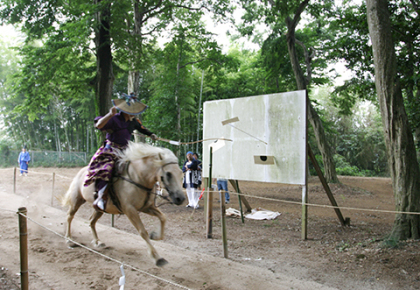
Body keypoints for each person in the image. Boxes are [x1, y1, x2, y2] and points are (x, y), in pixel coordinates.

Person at [84, 92, 158, 212]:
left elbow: (142, 128)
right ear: (125, 110)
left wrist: (151, 134)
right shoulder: (114, 119)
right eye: (131, 111)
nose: (133, 113)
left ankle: (139, 195)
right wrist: (109, 114)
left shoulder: (133, 122)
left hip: (126, 151)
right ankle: (101, 197)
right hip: (111, 149)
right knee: (107, 168)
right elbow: (99, 125)